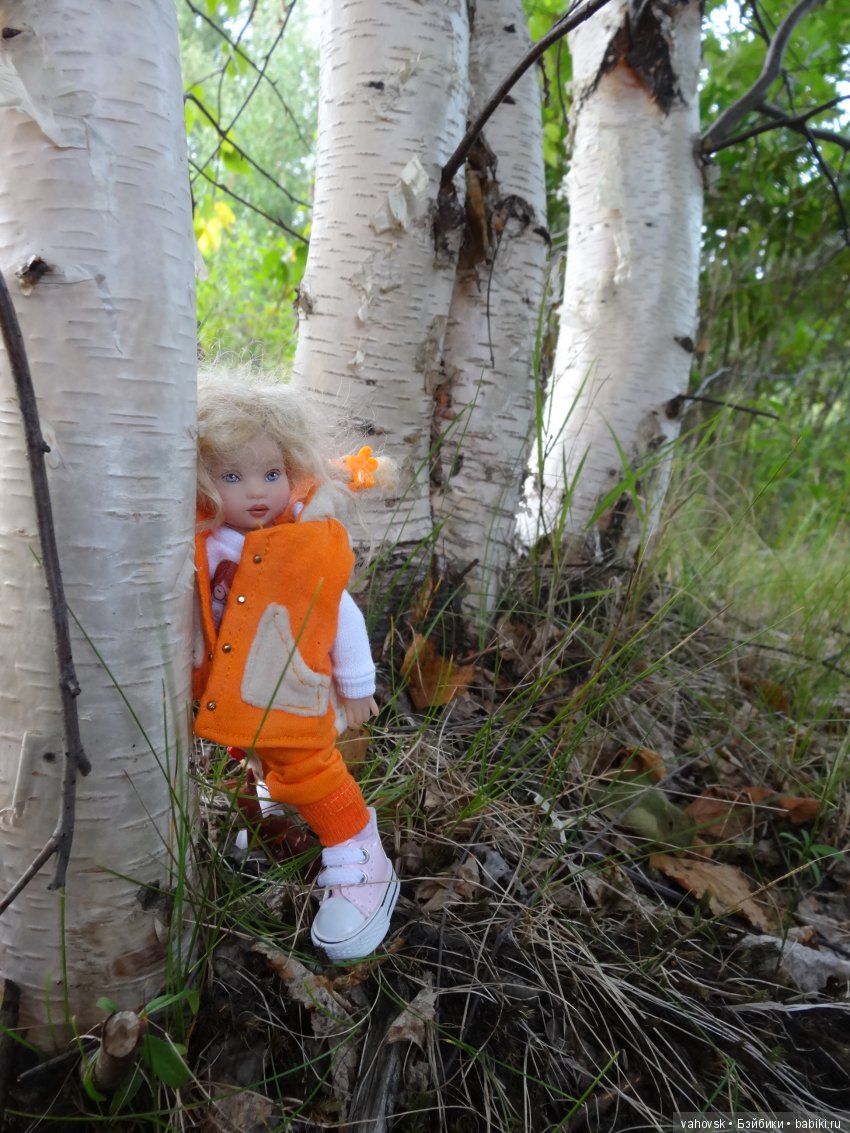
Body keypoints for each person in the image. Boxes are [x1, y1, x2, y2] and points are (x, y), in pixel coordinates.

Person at [192, 373, 398, 961]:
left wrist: (357, 684)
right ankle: (274, 815)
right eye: (232, 477)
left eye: (271, 474)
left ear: (293, 473)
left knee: (305, 761)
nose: (256, 491)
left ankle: (358, 851)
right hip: (235, 685)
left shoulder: (300, 544)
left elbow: (341, 614)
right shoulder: (208, 541)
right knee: (252, 750)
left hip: (292, 684)